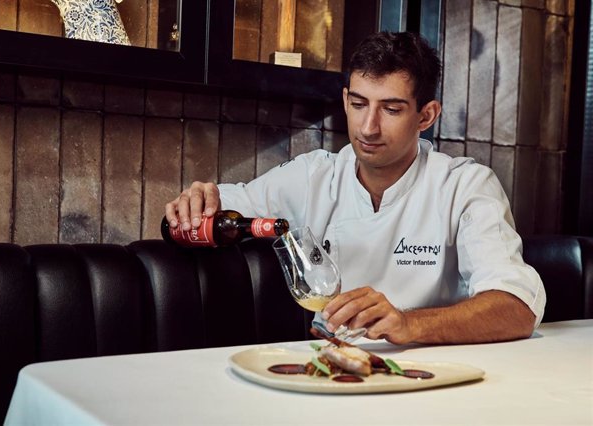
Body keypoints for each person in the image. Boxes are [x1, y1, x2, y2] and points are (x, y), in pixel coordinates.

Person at [165, 31, 545, 345]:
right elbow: (216, 210)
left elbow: (516, 309)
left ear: (426, 115)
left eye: (391, 109)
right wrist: (194, 201)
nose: (368, 127)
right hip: (333, 371)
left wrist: (407, 324)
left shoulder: (464, 186)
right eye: (359, 104)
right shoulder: (312, 176)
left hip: (435, 378)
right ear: (345, 101)